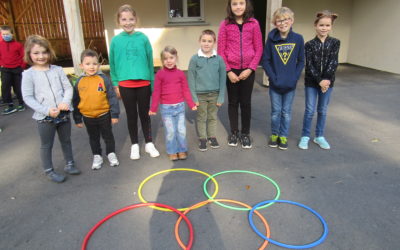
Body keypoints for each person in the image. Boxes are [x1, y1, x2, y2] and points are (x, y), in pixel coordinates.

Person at [21, 35, 80, 183]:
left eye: (44, 52)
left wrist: (65, 102)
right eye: (36, 53)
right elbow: (28, 97)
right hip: (45, 118)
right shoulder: (28, 75)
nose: (41, 56)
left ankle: (70, 163)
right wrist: (46, 110)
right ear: (29, 54)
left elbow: (68, 88)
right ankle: (49, 170)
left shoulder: (57, 70)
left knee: (66, 140)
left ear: (49, 52)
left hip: (63, 114)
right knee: (47, 145)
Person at [109, 4, 160, 160]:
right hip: (125, 85)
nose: (128, 22)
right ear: (119, 21)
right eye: (124, 19)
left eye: (131, 19)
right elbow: (113, 64)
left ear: (136, 19)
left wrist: (152, 83)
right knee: (131, 116)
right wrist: (116, 83)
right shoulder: (116, 41)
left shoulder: (143, 38)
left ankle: (149, 143)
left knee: (145, 115)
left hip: (143, 84)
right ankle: (134, 145)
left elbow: (150, 61)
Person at [217, 0, 263, 149]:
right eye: (234, 3)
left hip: (248, 70)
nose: (238, 6)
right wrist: (228, 71)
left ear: (246, 5)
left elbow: (259, 49)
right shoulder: (225, 24)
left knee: (246, 103)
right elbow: (221, 50)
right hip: (231, 70)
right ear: (230, 6)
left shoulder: (254, 23)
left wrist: (250, 69)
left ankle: (245, 134)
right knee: (233, 102)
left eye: (241, 3)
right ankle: (234, 132)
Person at [262, 7, 305, 150]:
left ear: (291, 21)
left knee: (286, 113)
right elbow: (266, 60)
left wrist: (295, 77)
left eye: (286, 19)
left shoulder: (298, 39)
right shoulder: (272, 38)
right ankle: (274, 134)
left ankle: (283, 135)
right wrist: (272, 77)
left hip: (290, 85)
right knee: (275, 112)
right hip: (275, 84)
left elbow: (301, 61)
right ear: (275, 23)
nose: (283, 23)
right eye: (279, 21)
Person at [298, 10, 340, 150]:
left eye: (327, 25)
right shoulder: (309, 44)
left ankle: (319, 136)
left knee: (322, 110)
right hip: (312, 82)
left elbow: (333, 62)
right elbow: (309, 65)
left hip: (328, 83)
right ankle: (305, 136)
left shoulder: (335, 43)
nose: (324, 28)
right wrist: (319, 81)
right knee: (310, 110)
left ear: (331, 27)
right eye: (321, 25)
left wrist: (326, 80)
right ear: (315, 25)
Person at [72, 49, 120, 169]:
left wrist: (114, 114)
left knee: (108, 136)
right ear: (81, 66)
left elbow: (112, 97)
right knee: (93, 137)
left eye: (94, 64)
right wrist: (77, 119)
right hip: (88, 117)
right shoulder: (79, 82)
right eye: (88, 64)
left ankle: (111, 153)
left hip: (104, 114)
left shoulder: (103, 79)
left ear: (98, 65)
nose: (91, 67)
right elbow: (76, 101)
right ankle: (97, 155)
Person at [149, 46, 197, 161]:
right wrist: (153, 108)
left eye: (171, 57)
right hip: (166, 109)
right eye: (165, 59)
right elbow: (156, 92)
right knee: (170, 131)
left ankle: (181, 150)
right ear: (162, 61)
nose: (169, 61)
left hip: (180, 107)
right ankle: (172, 151)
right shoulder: (160, 74)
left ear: (176, 58)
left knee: (181, 130)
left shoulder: (180, 74)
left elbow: (185, 89)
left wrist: (191, 103)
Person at [188, 29, 226, 151]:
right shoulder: (195, 59)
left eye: (209, 41)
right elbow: (191, 79)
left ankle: (212, 136)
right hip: (200, 95)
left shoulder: (219, 59)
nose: (206, 43)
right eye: (204, 40)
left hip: (214, 94)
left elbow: (222, 79)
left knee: (212, 117)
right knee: (201, 117)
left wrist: (221, 97)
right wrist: (194, 98)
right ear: (199, 41)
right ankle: (203, 138)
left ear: (214, 43)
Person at [0, 26, 26, 115]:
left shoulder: (18, 45)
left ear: (12, 34)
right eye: (3, 34)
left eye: (7, 34)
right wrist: (2, 65)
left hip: (17, 69)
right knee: (5, 87)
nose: (5, 36)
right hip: (5, 69)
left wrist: (22, 66)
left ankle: (21, 103)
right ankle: (10, 105)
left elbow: (24, 56)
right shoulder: (0, 45)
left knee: (18, 87)